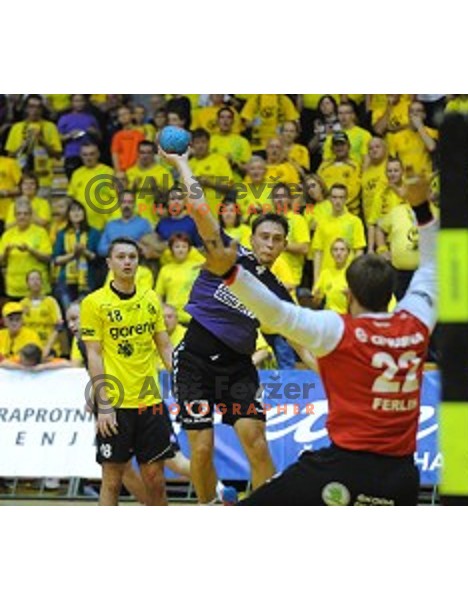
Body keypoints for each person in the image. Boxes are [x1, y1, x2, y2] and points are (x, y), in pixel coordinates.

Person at [199, 176, 437, 505]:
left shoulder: (338, 330)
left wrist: (231, 274)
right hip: (402, 476)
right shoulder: (416, 324)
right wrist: (422, 208)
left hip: (344, 468)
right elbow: (435, 266)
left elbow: (277, 313)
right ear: (392, 294)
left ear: (348, 294)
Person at [161, 149, 295, 504]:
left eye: (277, 239)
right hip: (194, 363)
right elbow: (201, 211)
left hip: (237, 369)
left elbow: (302, 341)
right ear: (252, 238)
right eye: (263, 236)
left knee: (257, 442)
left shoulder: (279, 292)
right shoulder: (227, 255)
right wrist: (181, 164)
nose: (269, 243)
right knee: (202, 449)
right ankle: (208, 507)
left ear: (283, 246)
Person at [80, 237, 175, 505]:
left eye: (132, 257)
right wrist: (104, 404)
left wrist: (183, 379)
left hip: (150, 401)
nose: (127, 262)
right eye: (120, 257)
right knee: (112, 478)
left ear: (138, 262)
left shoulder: (150, 298)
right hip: (115, 402)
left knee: (155, 478)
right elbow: (94, 355)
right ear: (109, 263)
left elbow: (164, 346)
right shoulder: (94, 303)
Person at [0, 197, 52, 299]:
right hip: (14, 289)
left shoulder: (41, 232)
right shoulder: (7, 235)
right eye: (19, 214)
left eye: (25, 214)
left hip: (37, 290)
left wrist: (30, 250)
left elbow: (48, 258)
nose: (22, 217)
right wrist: (6, 252)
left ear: (31, 215)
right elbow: (1, 262)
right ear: (14, 216)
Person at [53, 199, 100, 311]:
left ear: (84, 213)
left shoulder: (94, 233)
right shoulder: (62, 234)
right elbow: (56, 259)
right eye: (73, 211)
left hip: (88, 280)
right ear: (68, 215)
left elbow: (98, 258)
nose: (76, 213)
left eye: (79, 210)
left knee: (86, 314)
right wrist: (73, 255)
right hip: (65, 281)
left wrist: (84, 252)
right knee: (70, 313)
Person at [20, 269, 64, 360]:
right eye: (32, 279)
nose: (35, 282)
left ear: (42, 282)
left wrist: (47, 347)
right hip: (29, 347)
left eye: (38, 279)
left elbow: (59, 326)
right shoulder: (22, 304)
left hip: (49, 346)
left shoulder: (51, 302)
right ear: (27, 284)